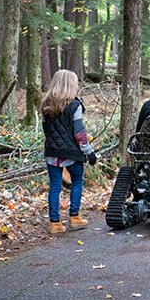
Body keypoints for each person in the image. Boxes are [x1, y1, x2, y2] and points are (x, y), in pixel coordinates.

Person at [42, 70, 97, 235]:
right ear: (71, 85)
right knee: (77, 181)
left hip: (52, 152)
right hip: (71, 153)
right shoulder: (75, 105)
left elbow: (46, 129)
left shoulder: (45, 104)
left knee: (55, 187)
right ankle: (74, 217)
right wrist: (89, 152)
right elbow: (79, 133)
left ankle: (55, 223)